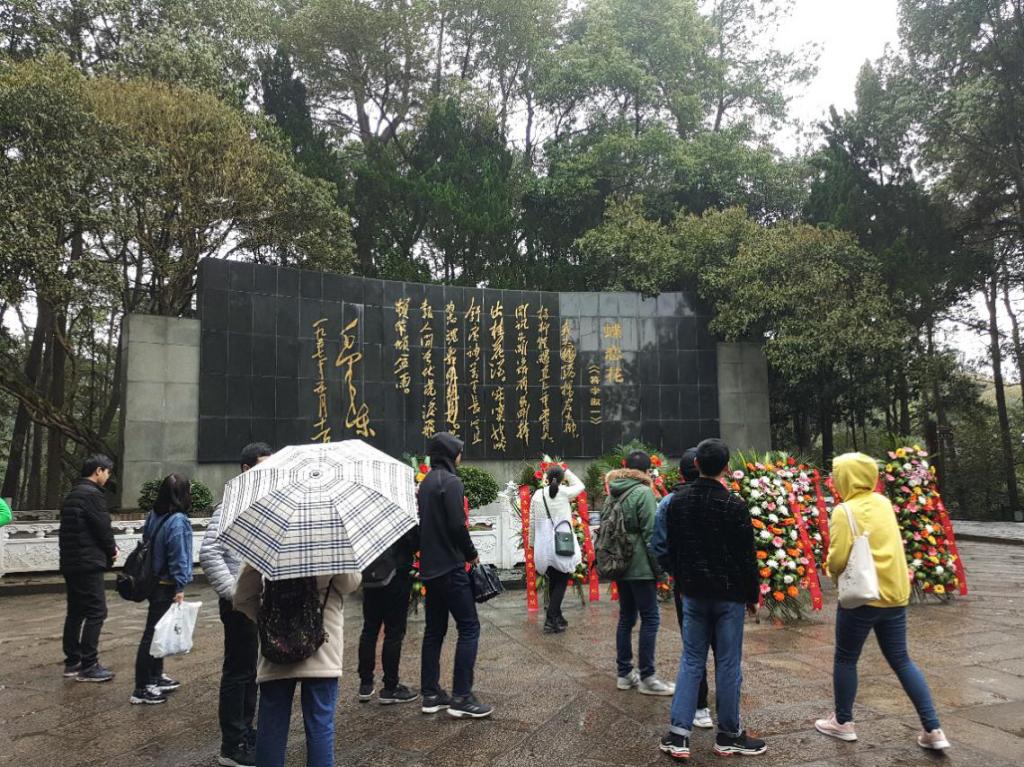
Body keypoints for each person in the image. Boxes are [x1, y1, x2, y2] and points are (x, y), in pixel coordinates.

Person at [815, 452, 950, 751]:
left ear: (846, 478)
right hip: (895, 595)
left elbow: (837, 558)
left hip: (862, 598)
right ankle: (933, 729)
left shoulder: (844, 511)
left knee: (846, 658)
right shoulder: (884, 503)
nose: (834, 480)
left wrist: (831, 572)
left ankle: (843, 721)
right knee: (902, 660)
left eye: (837, 475)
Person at [662, 438, 766, 760]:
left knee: (691, 660)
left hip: (693, 594)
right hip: (728, 596)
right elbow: (746, 556)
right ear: (726, 467)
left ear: (696, 465)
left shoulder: (678, 502)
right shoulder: (734, 504)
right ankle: (729, 735)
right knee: (728, 663)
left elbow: (672, 549)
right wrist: (752, 594)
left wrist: (680, 580)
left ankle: (678, 736)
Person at [234, 566, 361, 767]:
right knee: (320, 723)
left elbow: (242, 595)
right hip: (322, 642)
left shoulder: (267, 546)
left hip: (276, 643)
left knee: (272, 723)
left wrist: (266, 622)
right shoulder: (331, 546)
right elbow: (348, 584)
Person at [200, 442, 273, 767]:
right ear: (246, 469)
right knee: (237, 671)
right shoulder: (232, 502)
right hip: (237, 603)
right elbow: (209, 552)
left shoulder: (257, 501)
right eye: (262, 465)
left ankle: (246, 729)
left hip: (255, 601)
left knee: (250, 671)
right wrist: (234, 592)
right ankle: (232, 745)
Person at [417, 432, 492, 719]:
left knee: (434, 631)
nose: (461, 456)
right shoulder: (451, 482)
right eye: (459, 451)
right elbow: (457, 525)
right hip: (451, 567)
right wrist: (471, 554)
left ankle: (430, 694)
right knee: (469, 628)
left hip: (430, 569)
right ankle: (462, 696)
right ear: (450, 454)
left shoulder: (426, 483)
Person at [650, 448, 714, 729]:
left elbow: (659, 545)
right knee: (725, 649)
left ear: (680, 473)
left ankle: (700, 707)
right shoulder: (726, 498)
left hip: (686, 584)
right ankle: (729, 716)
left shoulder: (668, 502)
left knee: (694, 645)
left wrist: (674, 570)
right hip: (723, 585)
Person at [607, 450, 674, 696]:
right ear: (647, 471)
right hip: (641, 566)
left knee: (626, 617)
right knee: (650, 617)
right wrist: (661, 570)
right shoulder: (643, 492)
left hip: (620, 563)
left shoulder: (613, 491)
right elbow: (650, 534)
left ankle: (624, 673)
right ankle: (648, 677)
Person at [131, 473, 195, 705]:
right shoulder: (178, 521)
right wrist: (180, 586)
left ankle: (156, 676)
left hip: (153, 580)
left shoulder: (154, 514)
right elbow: (179, 556)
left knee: (158, 631)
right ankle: (142, 687)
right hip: (166, 584)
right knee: (152, 634)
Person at [59, 454, 117, 682]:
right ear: (98, 471)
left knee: (75, 611)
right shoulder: (92, 494)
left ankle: (72, 661)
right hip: (88, 561)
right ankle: (89, 664)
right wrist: (112, 550)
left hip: (71, 561)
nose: (108, 477)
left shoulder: (73, 493)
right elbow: (102, 527)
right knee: (96, 611)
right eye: (108, 472)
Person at [357, 525, 419, 705]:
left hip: (371, 576)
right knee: (394, 632)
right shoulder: (397, 517)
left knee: (369, 629)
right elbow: (415, 542)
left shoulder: (365, 516)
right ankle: (390, 687)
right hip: (396, 577)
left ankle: (365, 684)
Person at [529, 464, 585, 634]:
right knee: (562, 579)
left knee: (554, 578)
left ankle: (557, 617)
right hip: (561, 542)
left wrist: (532, 543)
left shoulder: (537, 495)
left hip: (543, 544)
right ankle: (551, 617)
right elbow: (581, 485)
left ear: (546, 478)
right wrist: (566, 472)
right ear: (561, 479)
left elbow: (532, 522)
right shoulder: (564, 492)